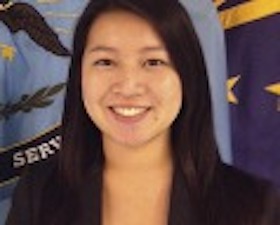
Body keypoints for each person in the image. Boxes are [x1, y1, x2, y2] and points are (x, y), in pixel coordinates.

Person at [5, 0, 280, 224]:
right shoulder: (40, 194)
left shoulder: (255, 207)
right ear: (79, 76)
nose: (128, 85)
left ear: (188, 76)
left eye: (152, 62)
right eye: (105, 61)